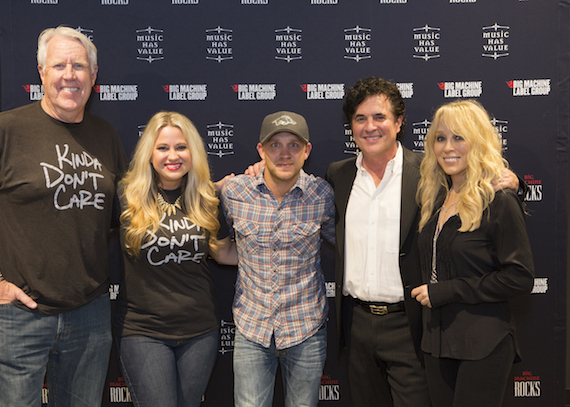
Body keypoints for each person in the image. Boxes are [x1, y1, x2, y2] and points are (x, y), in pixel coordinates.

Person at [325, 77, 522, 407]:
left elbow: (482, 189)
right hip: (356, 326)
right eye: (360, 119)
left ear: (399, 122)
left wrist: (516, 186)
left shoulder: (430, 172)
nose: (370, 127)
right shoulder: (339, 174)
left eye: (379, 117)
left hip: (413, 326)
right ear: (350, 126)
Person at [0, 26, 127, 406]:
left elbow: (136, 206)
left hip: (89, 314)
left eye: (79, 66)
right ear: (41, 72)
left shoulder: (105, 134)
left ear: (94, 74)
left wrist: (209, 188)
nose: (69, 75)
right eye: (59, 65)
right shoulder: (7, 130)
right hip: (20, 315)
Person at [410, 100, 534, 407]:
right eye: (440, 138)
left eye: (459, 137)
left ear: (477, 142)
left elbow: (519, 278)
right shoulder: (434, 197)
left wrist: (446, 291)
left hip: (483, 343)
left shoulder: (499, 199)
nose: (448, 147)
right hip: (436, 341)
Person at [114, 111, 237, 407]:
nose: (173, 156)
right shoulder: (125, 196)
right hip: (144, 331)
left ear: (192, 152)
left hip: (200, 331)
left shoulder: (207, 198)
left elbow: (222, 252)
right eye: (163, 148)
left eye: (181, 147)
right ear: (149, 154)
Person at [221, 111, 335, 407]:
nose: (284, 154)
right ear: (261, 149)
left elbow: (350, 244)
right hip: (252, 329)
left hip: (306, 328)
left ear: (307, 150)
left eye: (294, 145)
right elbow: (205, 227)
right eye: (275, 145)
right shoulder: (235, 193)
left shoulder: (322, 195)